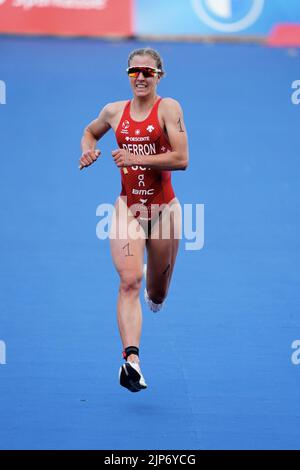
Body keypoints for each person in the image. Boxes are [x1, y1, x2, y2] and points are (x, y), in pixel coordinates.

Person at [79, 48, 189, 392]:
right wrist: (87, 149)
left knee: (155, 293)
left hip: (163, 211)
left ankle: (156, 297)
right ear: (128, 75)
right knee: (129, 280)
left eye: (147, 71)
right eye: (133, 72)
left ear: (159, 76)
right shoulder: (114, 112)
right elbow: (90, 131)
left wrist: (136, 157)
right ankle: (131, 361)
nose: (140, 77)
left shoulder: (168, 108)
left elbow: (181, 159)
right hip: (128, 207)